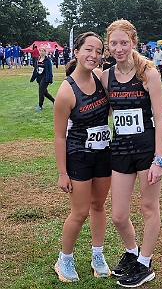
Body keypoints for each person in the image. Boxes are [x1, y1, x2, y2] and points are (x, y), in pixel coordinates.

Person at [101, 19, 162, 287]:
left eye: (123, 43)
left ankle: (145, 263)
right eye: (113, 43)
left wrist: (158, 159)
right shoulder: (106, 77)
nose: (118, 48)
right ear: (108, 45)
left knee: (149, 208)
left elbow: (160, 119)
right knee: (118, 214)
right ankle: (132, 252)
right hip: (120, 149)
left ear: (133, 43)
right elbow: (103, 113)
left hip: (146, 150)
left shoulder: (148, 73)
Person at [54, 31, 112, 282]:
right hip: (78, 155)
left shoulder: (100, 78)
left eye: (98, 51)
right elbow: (58, 137)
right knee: (79, 212)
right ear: (76, 52)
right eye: (88, 49)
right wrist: (62, 173)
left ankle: (97, 255)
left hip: (104, 153)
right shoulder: (66, 92)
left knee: (99, 205)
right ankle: (64, 259)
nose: (94, 55)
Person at [30, 45, 55, 111]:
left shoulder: (47, 60)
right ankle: (54, 101)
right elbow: (35, 69)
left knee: (41, 91)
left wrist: (50, 80)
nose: (41, 52)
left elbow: (49, 71)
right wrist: (32, 78)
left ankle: (40, 106)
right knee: (44, 92)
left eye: (42, 51)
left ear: (45, 52)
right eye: (40, 51)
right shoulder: (37, 60)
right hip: (39, 77)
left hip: (45, 78)